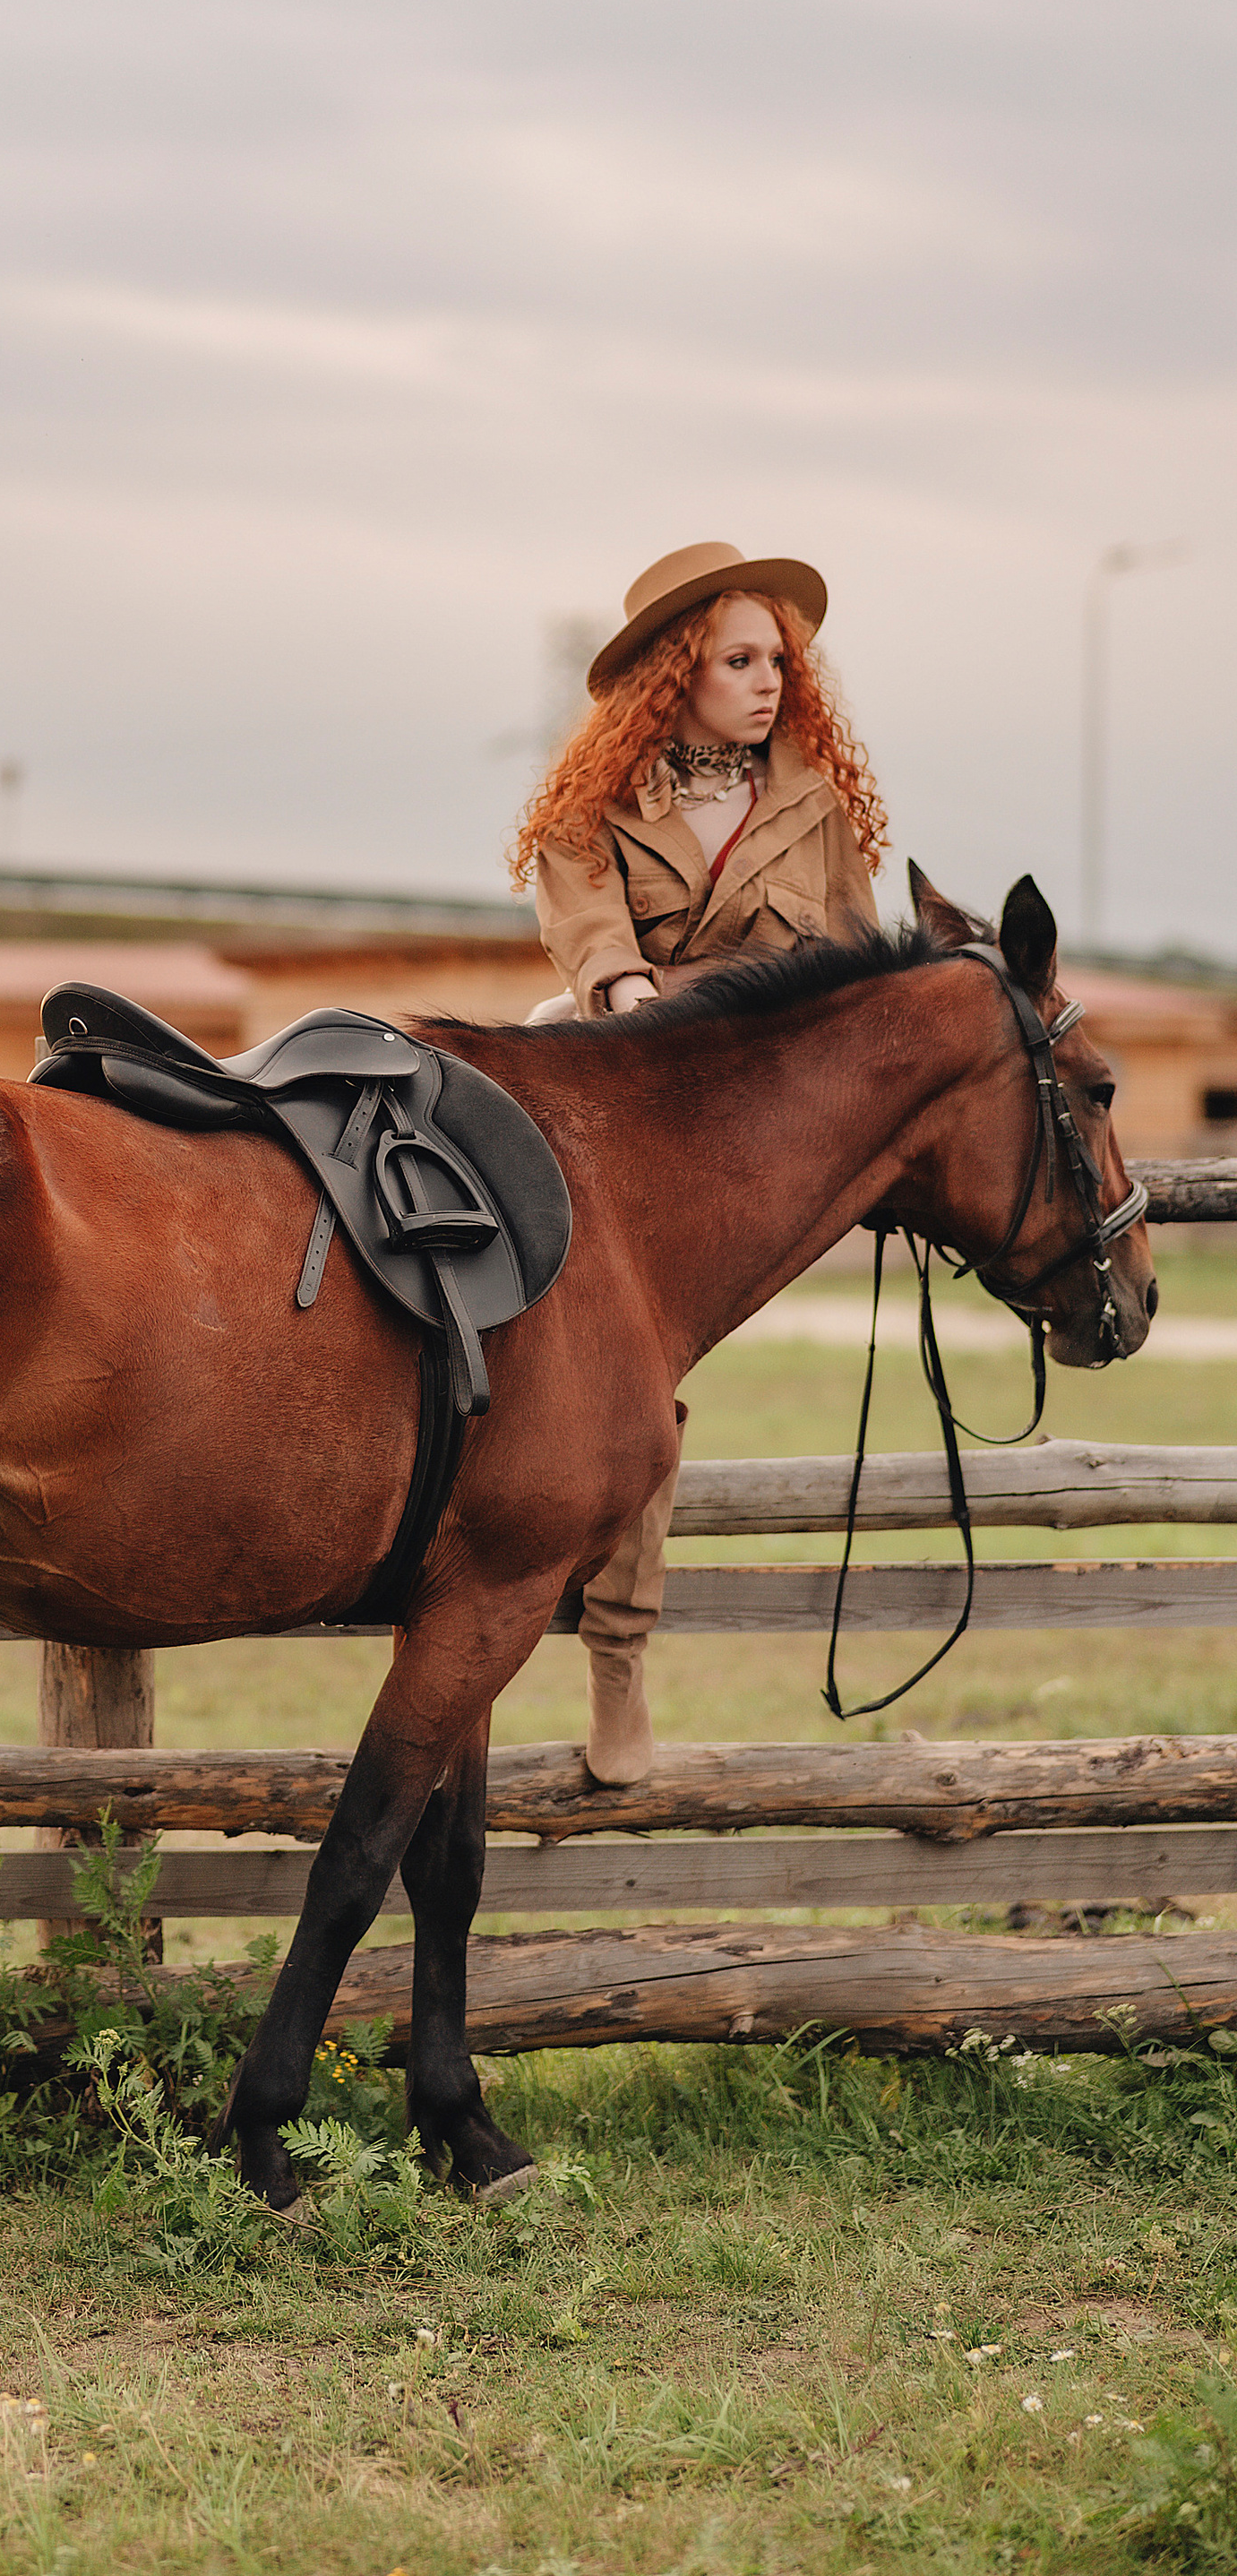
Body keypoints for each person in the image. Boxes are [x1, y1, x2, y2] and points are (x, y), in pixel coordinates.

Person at [507, 541, 890, 1781]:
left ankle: (616, 1657)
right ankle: (599, 1652)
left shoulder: (818, 808)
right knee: (614, 1371)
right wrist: (626, 982)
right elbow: (589, 932)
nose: (769, 680)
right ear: (682, 672)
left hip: (753, 1128)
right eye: (740, 659)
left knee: (641, 1386)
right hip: (627, 1079)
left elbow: (860, 978)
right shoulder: (595, 808)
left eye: (780, 659)